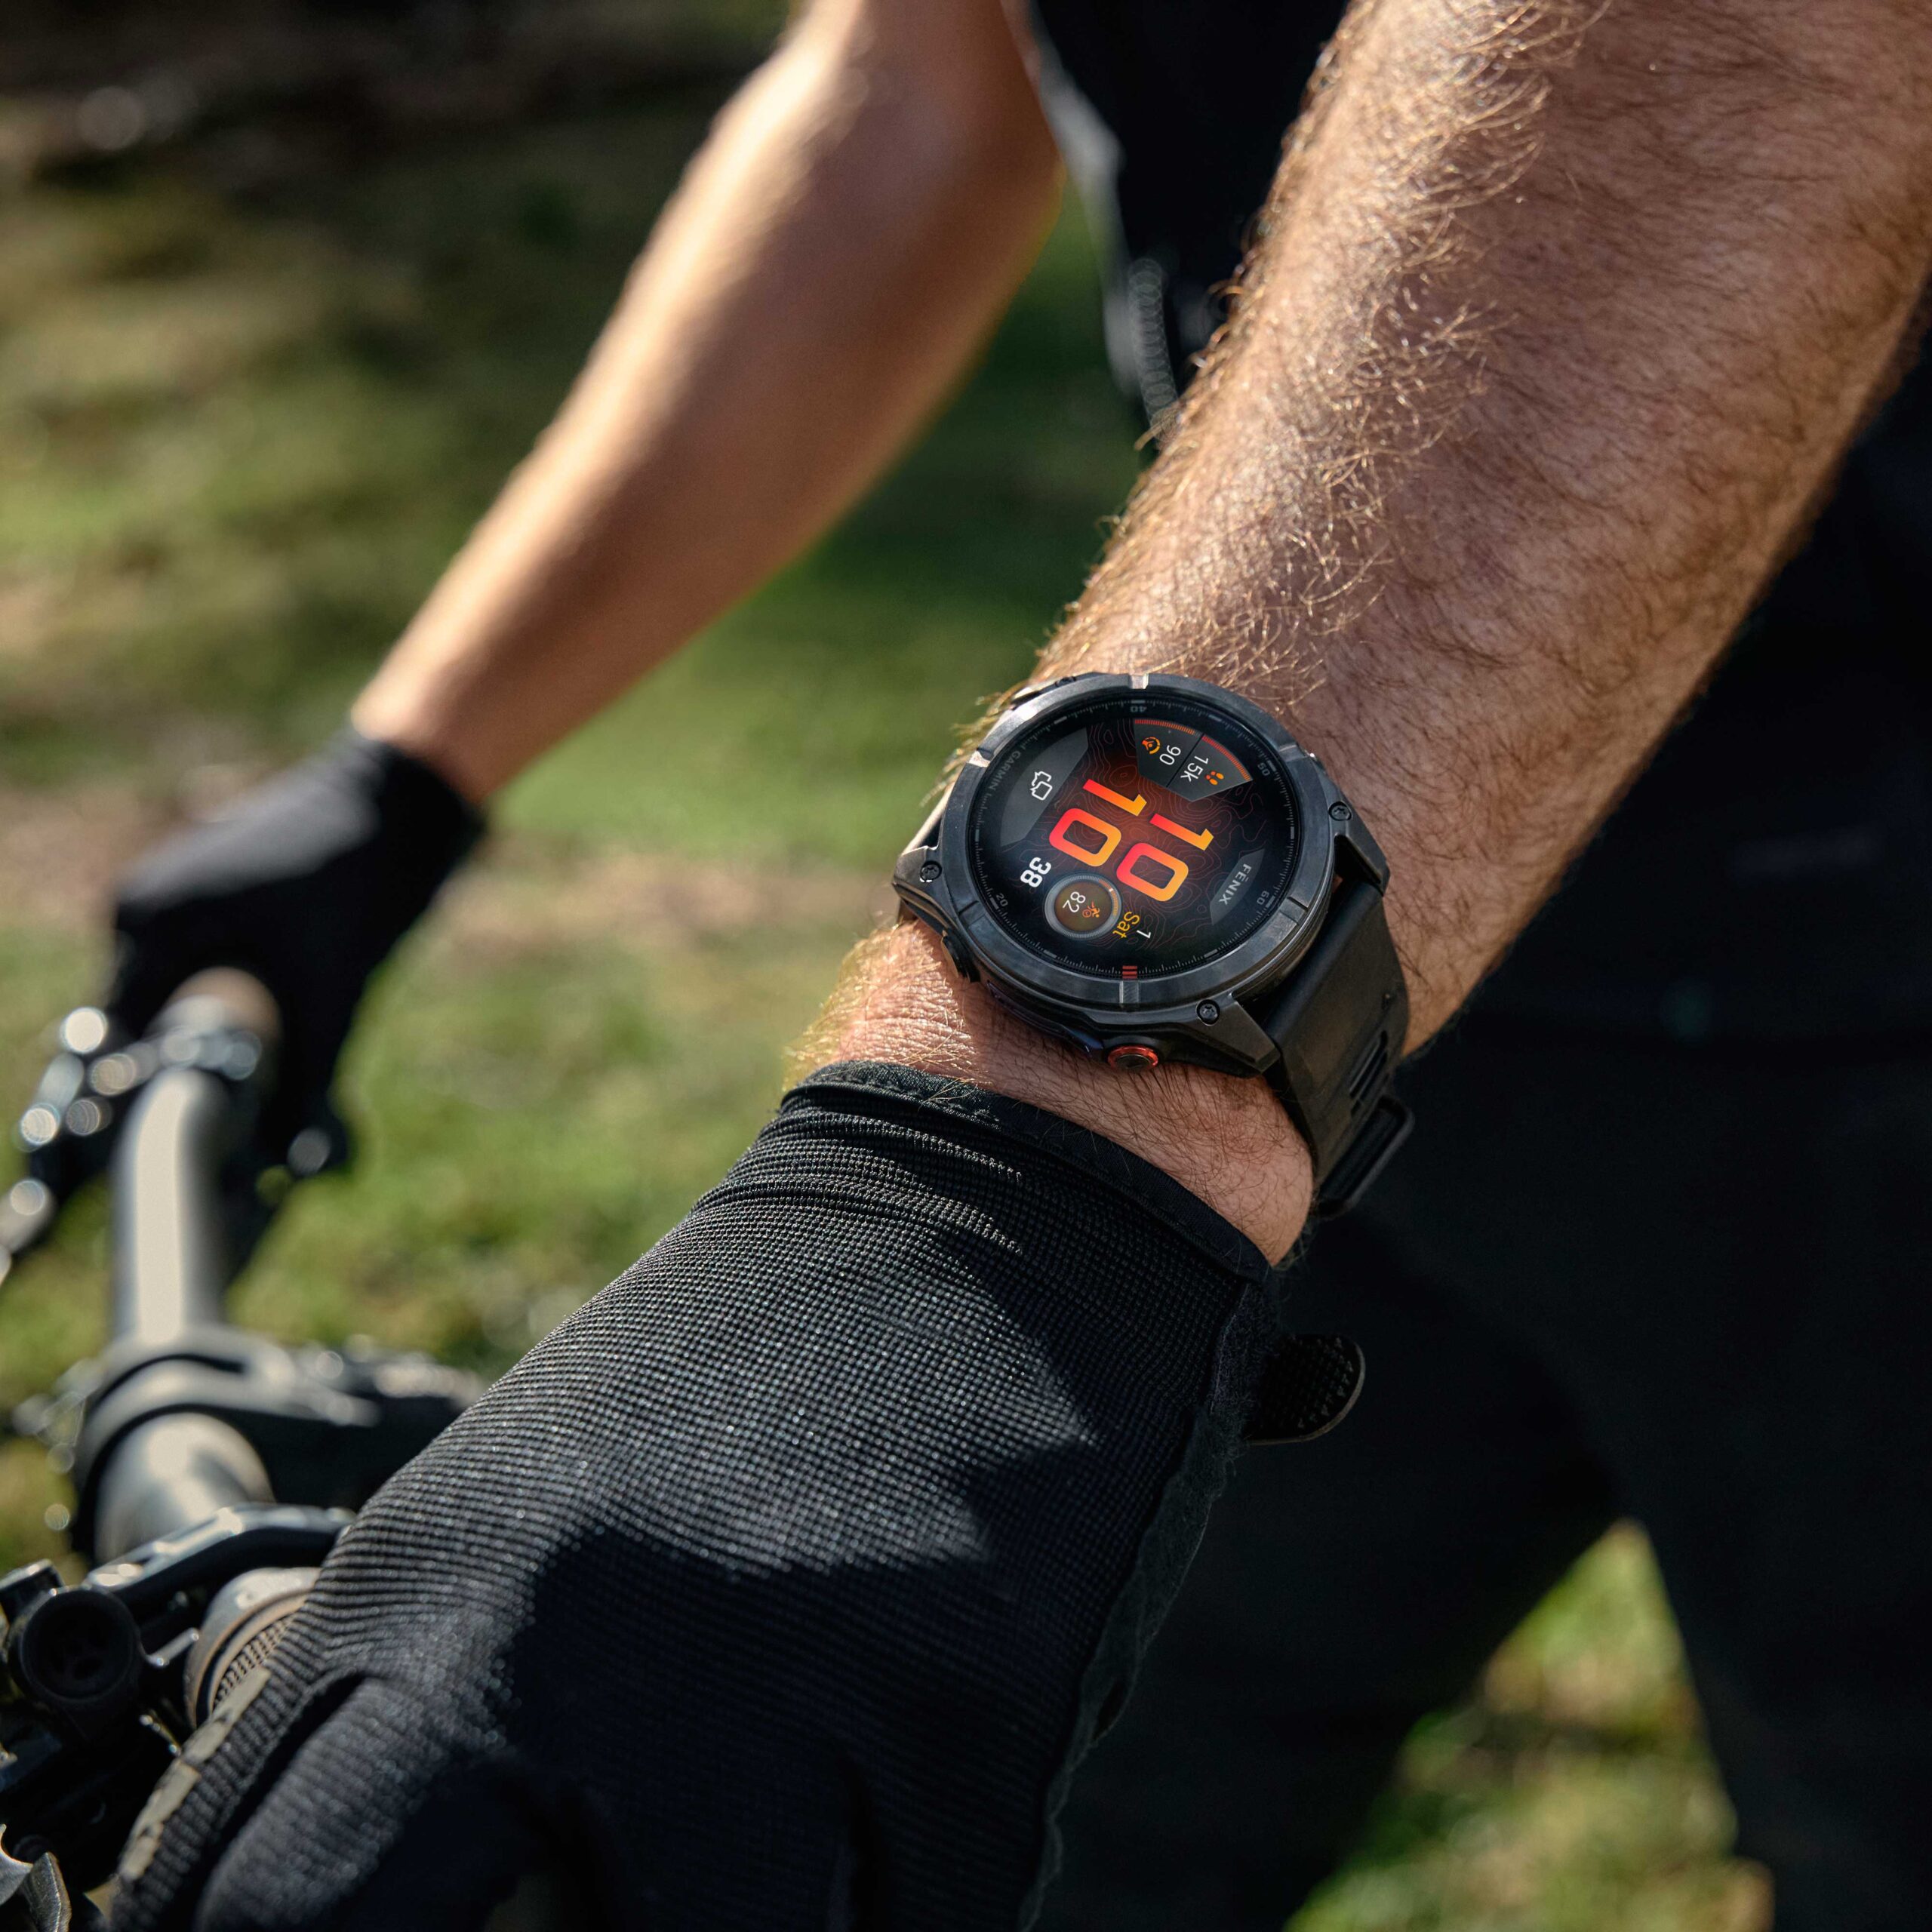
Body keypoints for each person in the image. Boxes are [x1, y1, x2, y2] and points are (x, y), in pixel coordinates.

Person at [92, 0, 1932, 1926]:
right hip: (1325, 1108)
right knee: (989, 1831)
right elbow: (916, 84)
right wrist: (409, 772)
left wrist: (977, 1188)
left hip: (1849, 1013)